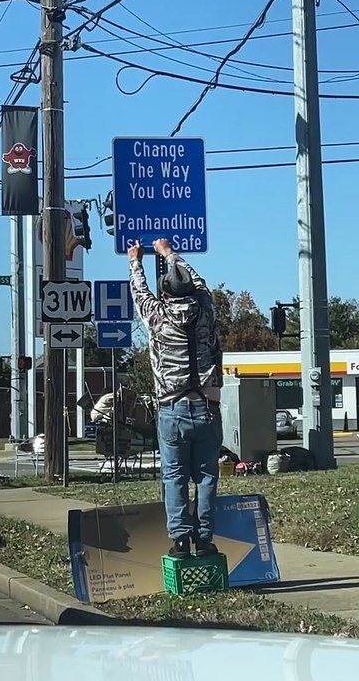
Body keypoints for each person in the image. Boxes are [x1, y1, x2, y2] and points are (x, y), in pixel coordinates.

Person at [128, 238, 223, 559]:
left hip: (172, 407)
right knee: (207, 476)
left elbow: (139, 293)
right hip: (208, 406)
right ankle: (206, 540)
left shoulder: (158, 317)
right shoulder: (206, 311)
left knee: (175, 475)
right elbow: (200, 283)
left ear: (165, 294)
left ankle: (180, 540)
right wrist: (169, 254)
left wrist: (136, 261)